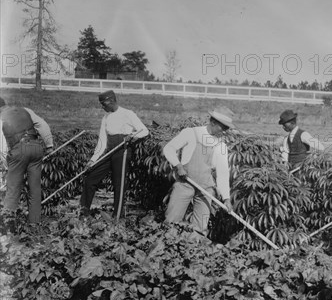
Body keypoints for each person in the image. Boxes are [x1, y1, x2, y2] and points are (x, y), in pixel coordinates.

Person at [163, 107, 234, 236]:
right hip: (185, 183)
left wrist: (226, 198)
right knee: (171, 221)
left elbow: (223, 173)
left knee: (200, 227)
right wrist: (178, 166)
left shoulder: (221, 145)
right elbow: (169, 148)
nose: (224, 132)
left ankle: (193, 251)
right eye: (222, 128)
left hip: (206, 189)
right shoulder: (191, 133)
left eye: (226, 129)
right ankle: (167, 248)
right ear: (213, 122)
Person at [80, 90, 149, 218]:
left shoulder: (128, 114)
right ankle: (84, 212)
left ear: (111, 101)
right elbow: (102, 142)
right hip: (109, 151)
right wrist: (92, 161)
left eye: (103, 104)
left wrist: (132, 136)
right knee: (91, 177)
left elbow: (144, 131)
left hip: (123, 150)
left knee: (119, 183)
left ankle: (117, 217)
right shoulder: (105, 118)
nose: (102, 107)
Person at [0, 97, 54, 223]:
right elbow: (42, 125)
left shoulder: (1, 117)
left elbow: (1, 144)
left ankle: (8, 226)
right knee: (35, 189)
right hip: (36, 148)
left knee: (13, 189)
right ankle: (34, 224)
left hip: (18, 150)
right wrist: (49, 145)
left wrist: (6, 163)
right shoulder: (25, 110)